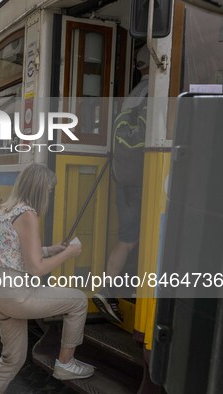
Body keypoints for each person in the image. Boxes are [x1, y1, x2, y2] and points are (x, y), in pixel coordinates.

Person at [0, 164, 92, 393]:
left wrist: (54, 249)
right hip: (17, 293)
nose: (50, 193)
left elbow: (17, 252)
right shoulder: (28, 214)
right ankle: (65, 363)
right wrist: (68, 254)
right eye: (49, 189)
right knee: (79, 300)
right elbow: (36, 269)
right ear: (40, 188)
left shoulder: (7, 210)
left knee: (12, 359)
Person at [92, 45, 149, 324]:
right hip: (141, 180)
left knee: (130, 238)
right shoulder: (155, 91)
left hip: (123, 177)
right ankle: (108, 290)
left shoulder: (133, 94)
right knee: (132, 239)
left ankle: (117, 289)